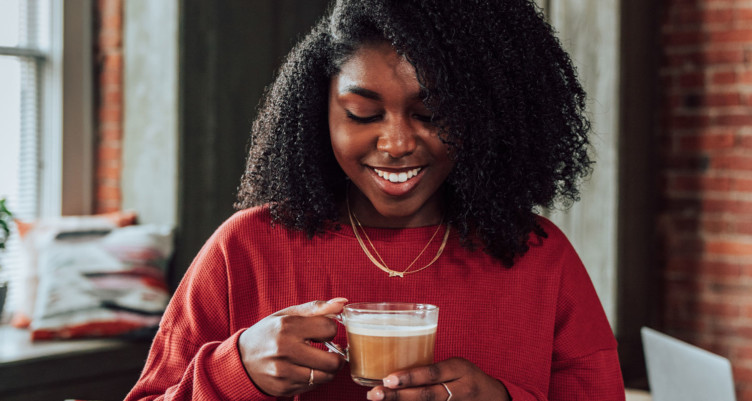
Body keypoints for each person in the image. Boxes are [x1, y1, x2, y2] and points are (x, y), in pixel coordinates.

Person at [126, 0, 625, 400]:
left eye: (431, 114)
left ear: (487, 115)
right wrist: (237, 372)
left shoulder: (540, 256)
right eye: (363, 114)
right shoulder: (247, 248)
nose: (396, 144)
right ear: (319, 111)